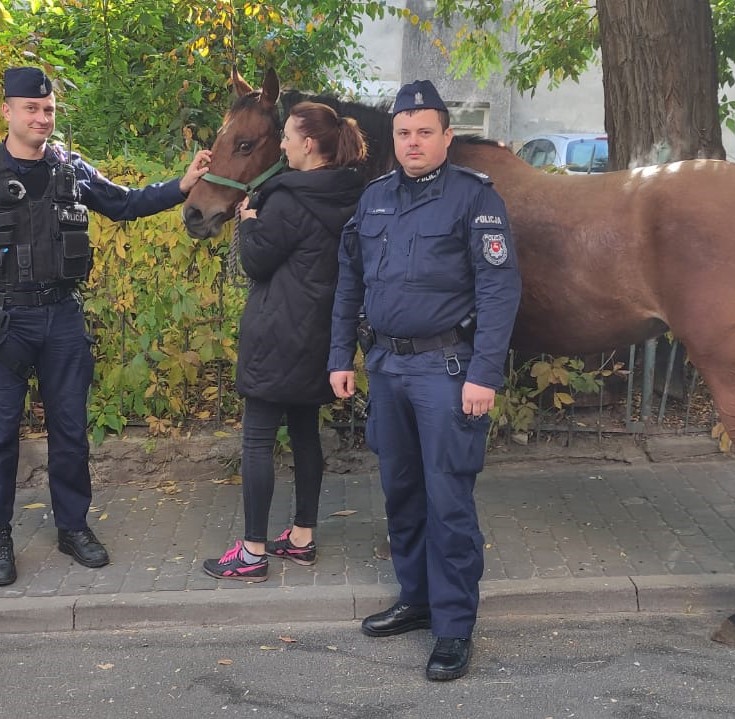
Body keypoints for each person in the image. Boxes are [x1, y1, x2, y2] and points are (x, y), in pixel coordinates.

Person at [0, 67, 213, 587]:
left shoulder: (70, 167)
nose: (42, 117)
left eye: (49, 110)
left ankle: (73, 527)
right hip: (4, 321)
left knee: (70, 432)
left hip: (62, 317)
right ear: (8, 113)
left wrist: (183, 185)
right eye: (32, 109)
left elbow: (125, 203)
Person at [328, 80, 521, 681]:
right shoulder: (376, 198)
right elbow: (349, 282)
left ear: (446, 136)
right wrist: (341, 357)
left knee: (449, 501)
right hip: (387, 368)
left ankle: (454, 626)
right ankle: (416, 598)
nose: (413, 142)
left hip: (447, 371)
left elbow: (498, 289)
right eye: (404, 133)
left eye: (424, 132)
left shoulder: (474, 198)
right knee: (401, 493)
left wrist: (484, 372)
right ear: (395, 138)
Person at [203, 102, 368, 582]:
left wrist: (249, 220)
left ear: (309, 144)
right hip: (318, 335)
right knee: (304, 434)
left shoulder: (289, 199)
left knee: (256, 439)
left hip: (276, 334)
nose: (282, 145)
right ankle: (301, 538)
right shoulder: (346, 193)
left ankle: (252, 553)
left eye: (289, 137)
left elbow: (256, 261)